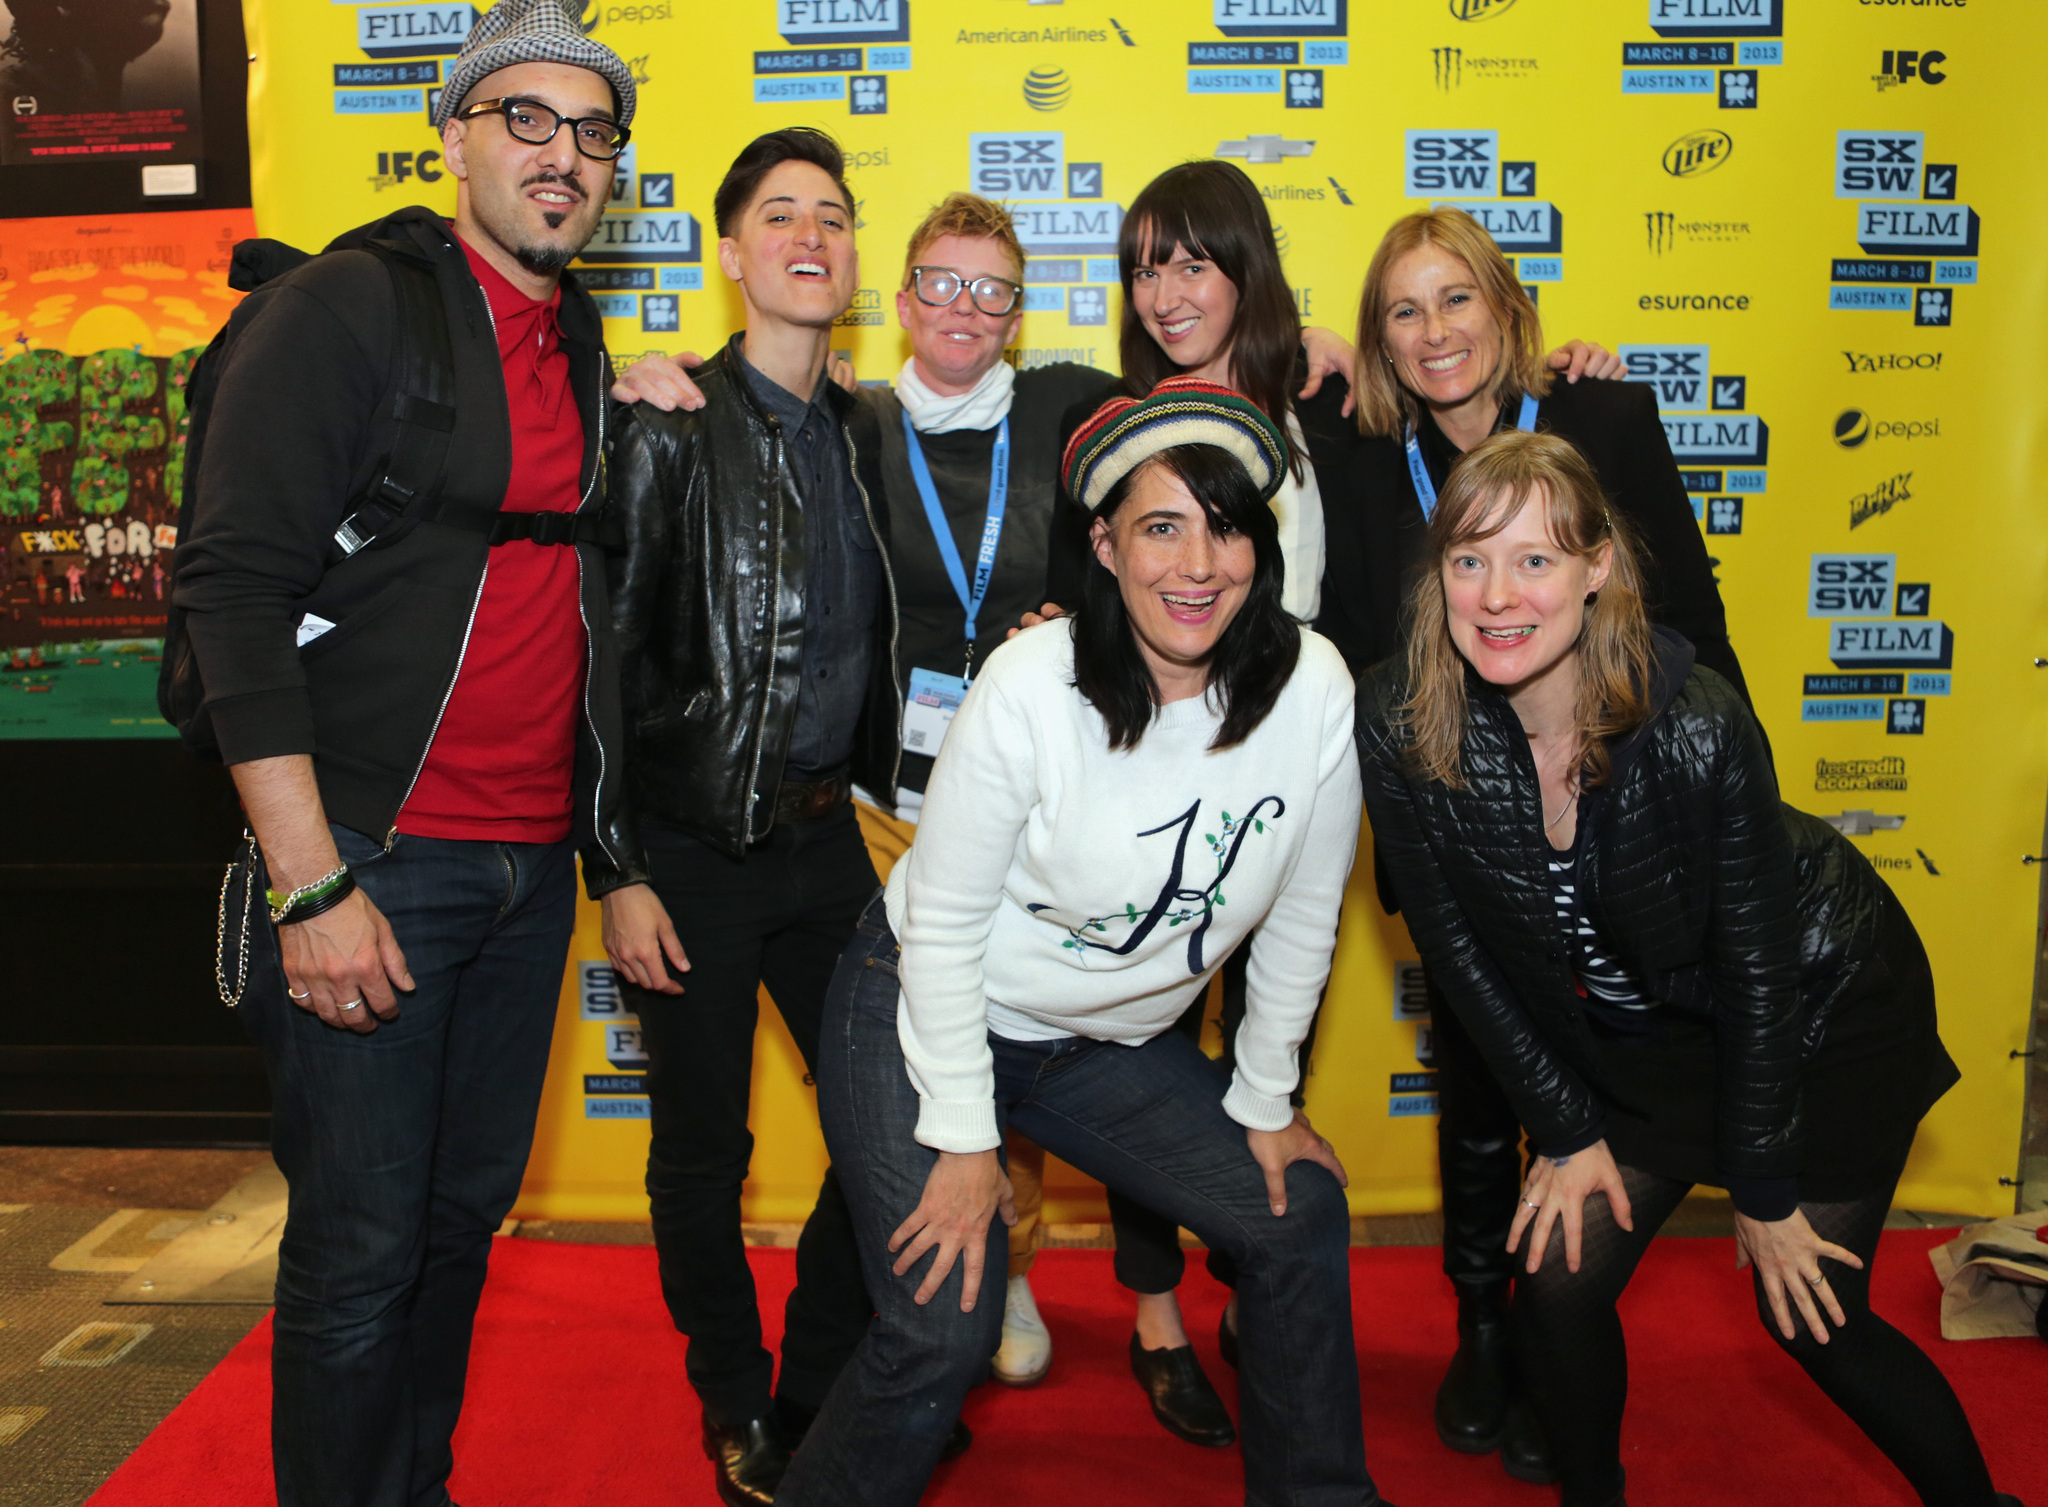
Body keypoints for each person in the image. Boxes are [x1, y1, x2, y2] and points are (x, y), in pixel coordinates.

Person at [606, 187, 1363, 1396]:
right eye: (941, 286)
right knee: (863, 1108)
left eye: (992, 291)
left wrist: (1310, 353)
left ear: (1019, 314)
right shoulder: (848, 420)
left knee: (982, 1082)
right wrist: (653, 374)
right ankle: (787, 1385)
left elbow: (1200, 430)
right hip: (871, 808)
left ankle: (887, 1345)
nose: (965, 309)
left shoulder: (1071, 403)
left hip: (1041, 801)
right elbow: (710, 488)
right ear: (898, 301)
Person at [1033, 163, 1624, 1447]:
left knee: (1269, 1055)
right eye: (1144, 265)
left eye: (1194, 260)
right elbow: (1069, 594)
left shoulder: (1328, 401)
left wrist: (1563, 366)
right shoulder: (1109, 417)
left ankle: (1263, 1286)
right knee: (1137, 1049)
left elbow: (1426, 503)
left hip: (1294, 789)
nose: (1166, 288)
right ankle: (1153, 1318)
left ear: (1247, 267)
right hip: (1144, 796)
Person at [1354, 429, 2020, 1507]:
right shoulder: (1396, 716)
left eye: (1533, 559)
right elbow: (1453, 948)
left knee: (1813, 1314)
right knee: (1558, 1289)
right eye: (1467, 559)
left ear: (1595, 567)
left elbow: (1757, 968)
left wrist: (1760, 1185)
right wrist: (1566, 1129)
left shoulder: (1697, 723)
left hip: (1819, 1010)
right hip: (1650, 1030)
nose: (1494, 594)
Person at [170, 1, 634, 1501]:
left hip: (520, 872)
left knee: (449, 1232)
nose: (562, 156)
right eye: (527, 120)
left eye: (593, 132)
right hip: (372, 857)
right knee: (359, 1255)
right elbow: (232, 595)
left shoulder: (578, 333)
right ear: (456, 137)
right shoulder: (352, 307)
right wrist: (308, 884)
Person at [779, 381, 1389, 1507]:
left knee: (1296, 1211)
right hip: (921, 999)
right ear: (1103, 545)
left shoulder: (1311, 687)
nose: (1196, 563)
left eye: (1225, 525)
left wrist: (1262, 1097)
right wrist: (966, 1139)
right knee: (940, 1324)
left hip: (1102, 1044)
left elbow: (1307, 906)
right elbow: (947, 928)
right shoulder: (1030, 686)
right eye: (1160, 527)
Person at [1310, 204, 1754, 1483]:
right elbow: (1345, 643)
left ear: (1506, 310)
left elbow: (1694, 625)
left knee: (1609, 1062)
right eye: (1403, 309)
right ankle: (1482, 1328)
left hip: (1609, 823)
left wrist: (1716, 818)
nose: (1433, 330)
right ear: (1379, 341)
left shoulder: (1600, 420)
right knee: (1478, 1084)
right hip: (1451, 828)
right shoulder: (1345, 448)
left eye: (1456, 299)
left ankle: (1560, 1314)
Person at [591, 127, 970, 1507]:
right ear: (732, 250)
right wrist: (615, 866)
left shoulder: (864, 429)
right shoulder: (670, 423)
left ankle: (821, 1378)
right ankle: (736, 1404)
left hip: (823, 844)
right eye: (781, 215)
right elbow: (607, 664)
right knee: (704, 1148)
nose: (813, 235)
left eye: (834, 216)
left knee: (907, 1111)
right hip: (684, 855)